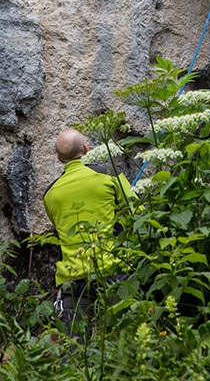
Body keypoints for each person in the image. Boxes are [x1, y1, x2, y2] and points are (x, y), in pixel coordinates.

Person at [43, 128, 133, 331]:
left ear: (59, 158)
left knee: (75, 347)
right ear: (86, 148)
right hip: (113, 270)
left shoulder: (50, 194)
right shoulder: (109, 175)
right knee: (124, 338)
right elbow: (138, 214)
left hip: (72, 280)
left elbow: (59, 230)